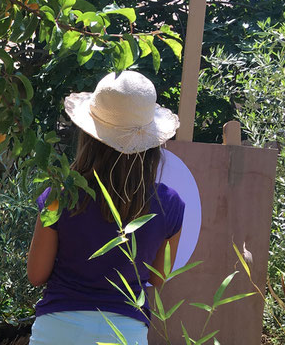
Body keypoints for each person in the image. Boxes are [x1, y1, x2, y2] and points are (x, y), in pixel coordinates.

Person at [27, 71, 185, 344]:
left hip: (57, 329)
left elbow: (36, 274)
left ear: (88, 137)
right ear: (151, 146)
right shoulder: (169, 205)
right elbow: (158, 279)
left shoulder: (60, 196)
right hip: (125, 334)